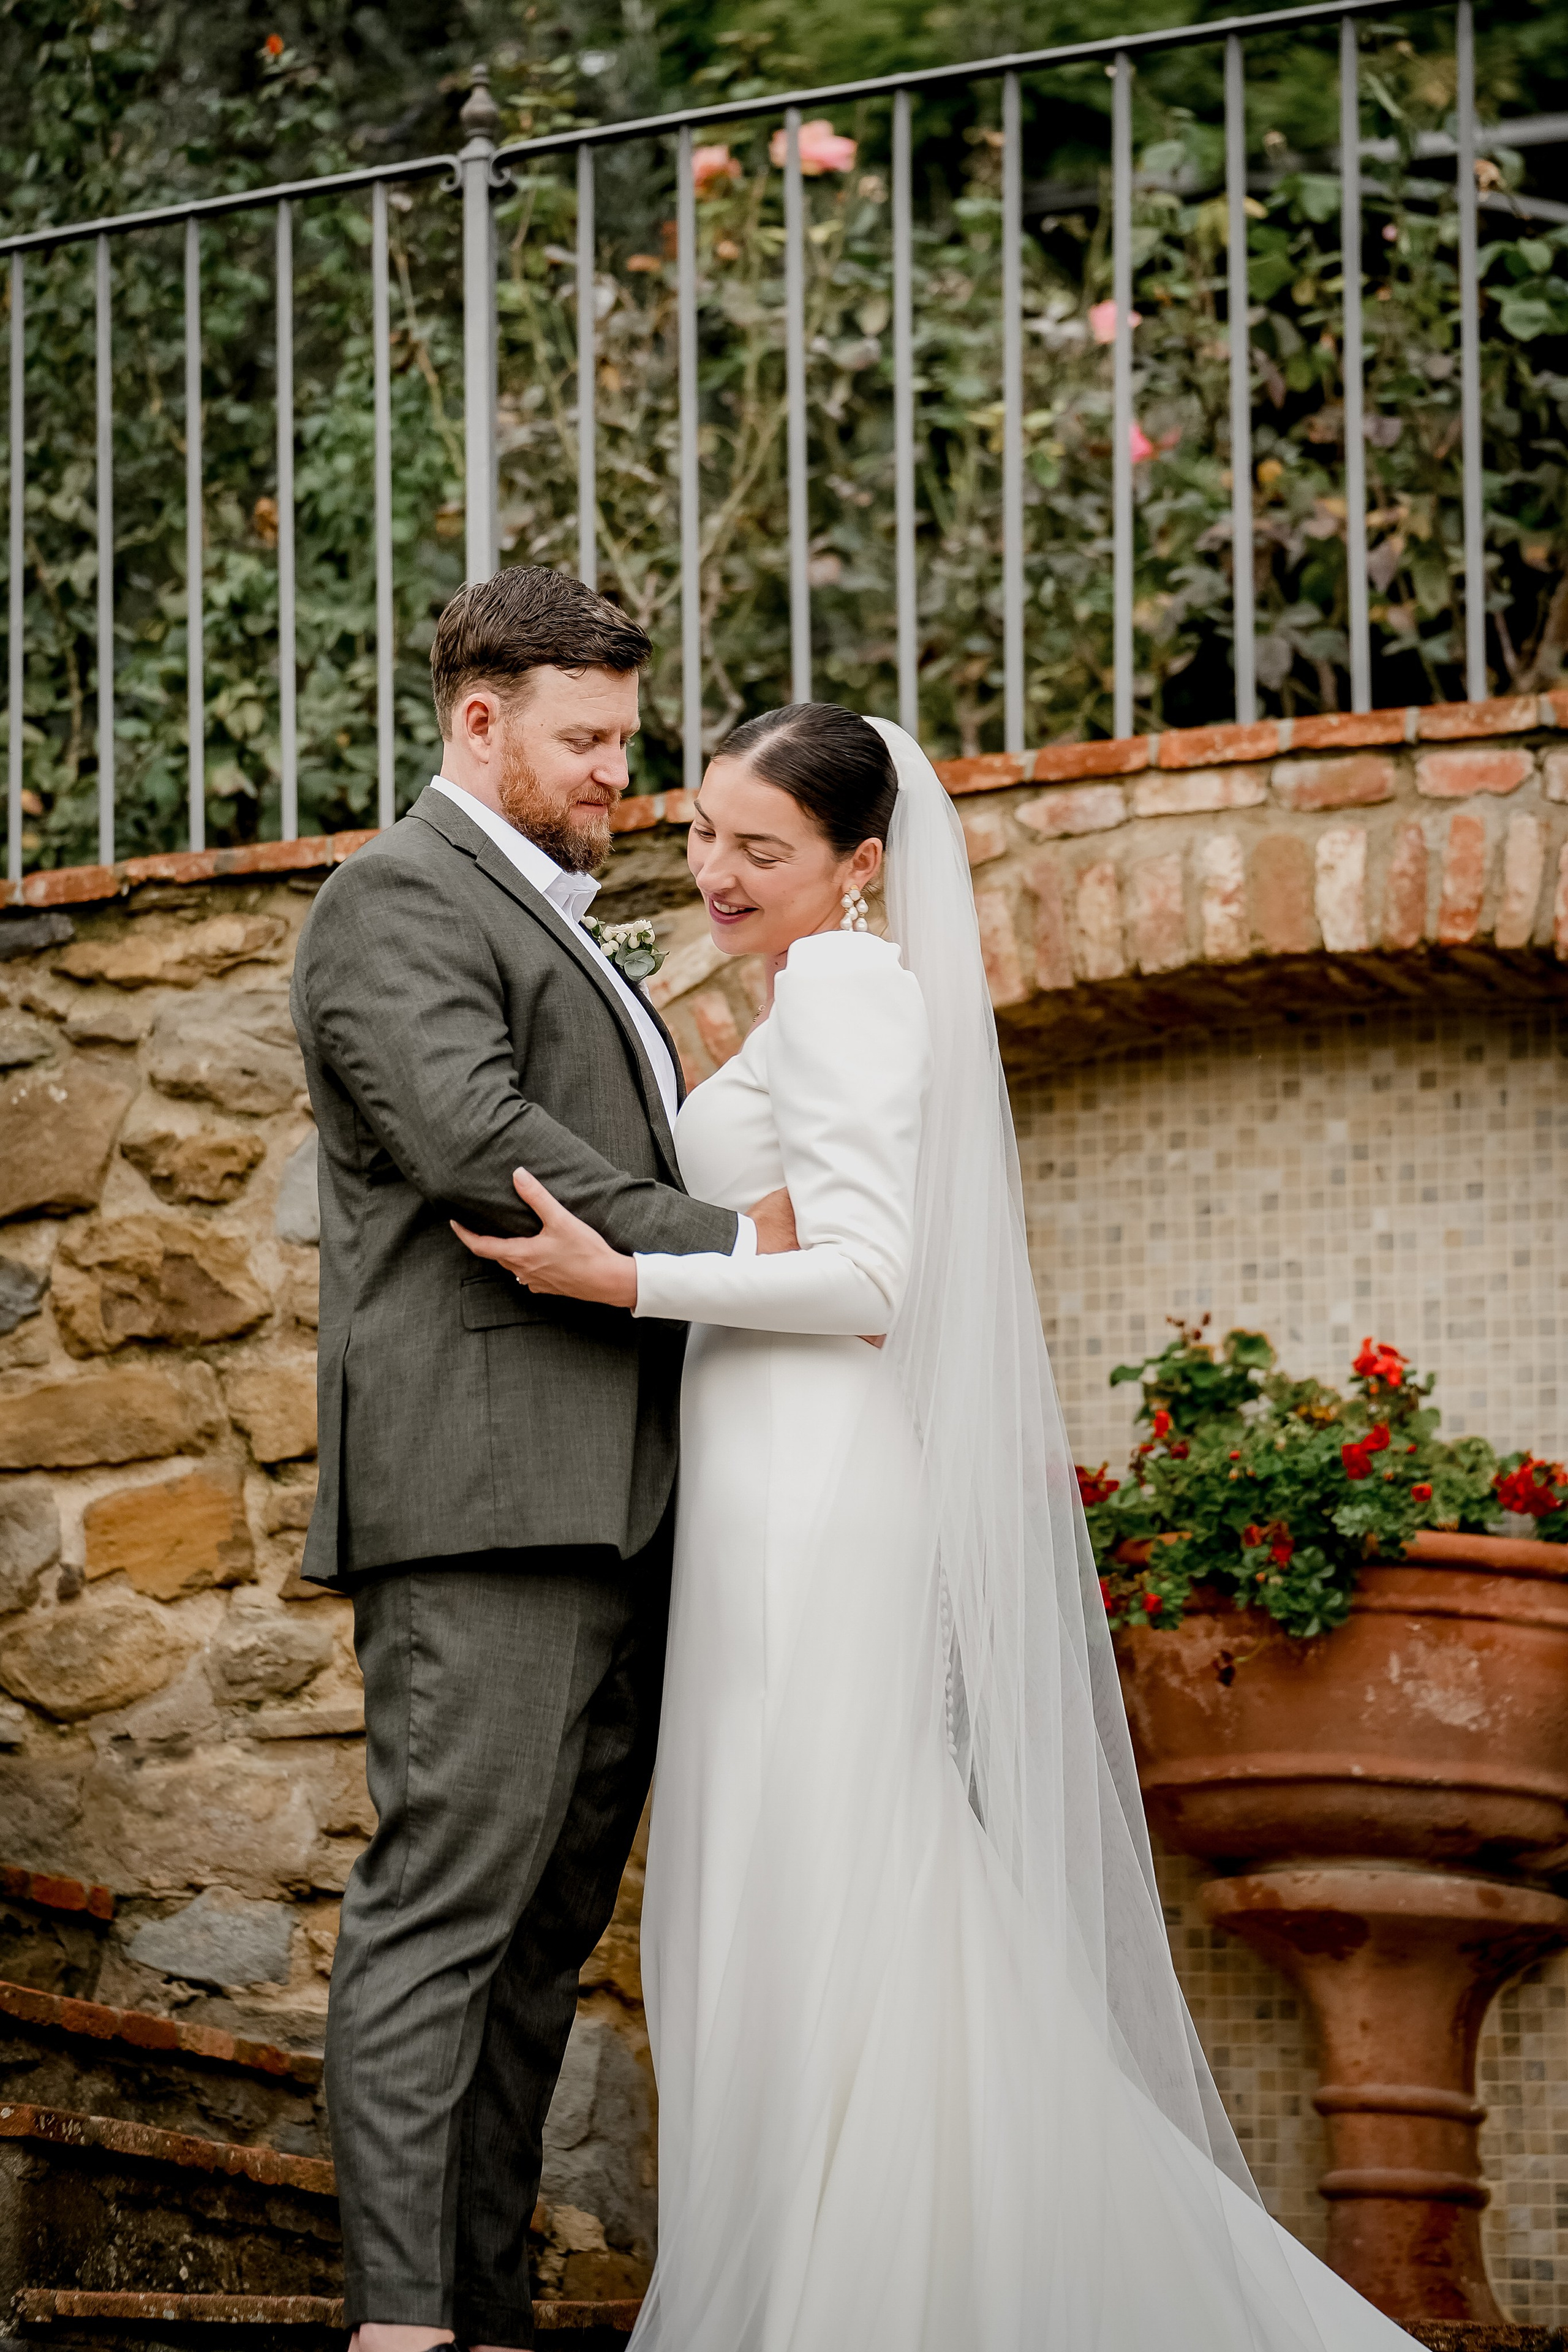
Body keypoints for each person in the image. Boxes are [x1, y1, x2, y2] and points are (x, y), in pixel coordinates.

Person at [454, 701, 1425, 2352]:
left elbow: (872, 1281)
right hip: (764, 1484)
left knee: (819, 1879)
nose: (716, 871)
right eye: (703, 833)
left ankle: (851, 2298)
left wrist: (626, 1278)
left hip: (814, 1490)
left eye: (761, 848)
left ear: (861, 863)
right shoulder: (805, 992)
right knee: (801, 1878)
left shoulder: (846, 990)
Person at [288, 567, 797, 2352]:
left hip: (624, 1504)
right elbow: (472, 1136)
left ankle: (486, 2319)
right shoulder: (392, 900)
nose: (616, 775)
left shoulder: (563, 916)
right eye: (586, 740)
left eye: (625, 739)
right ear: (481, 718)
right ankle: (401, 2327)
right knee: (447, 1909)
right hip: (487, 1495)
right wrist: (736, 1246)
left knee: (538, 1946)